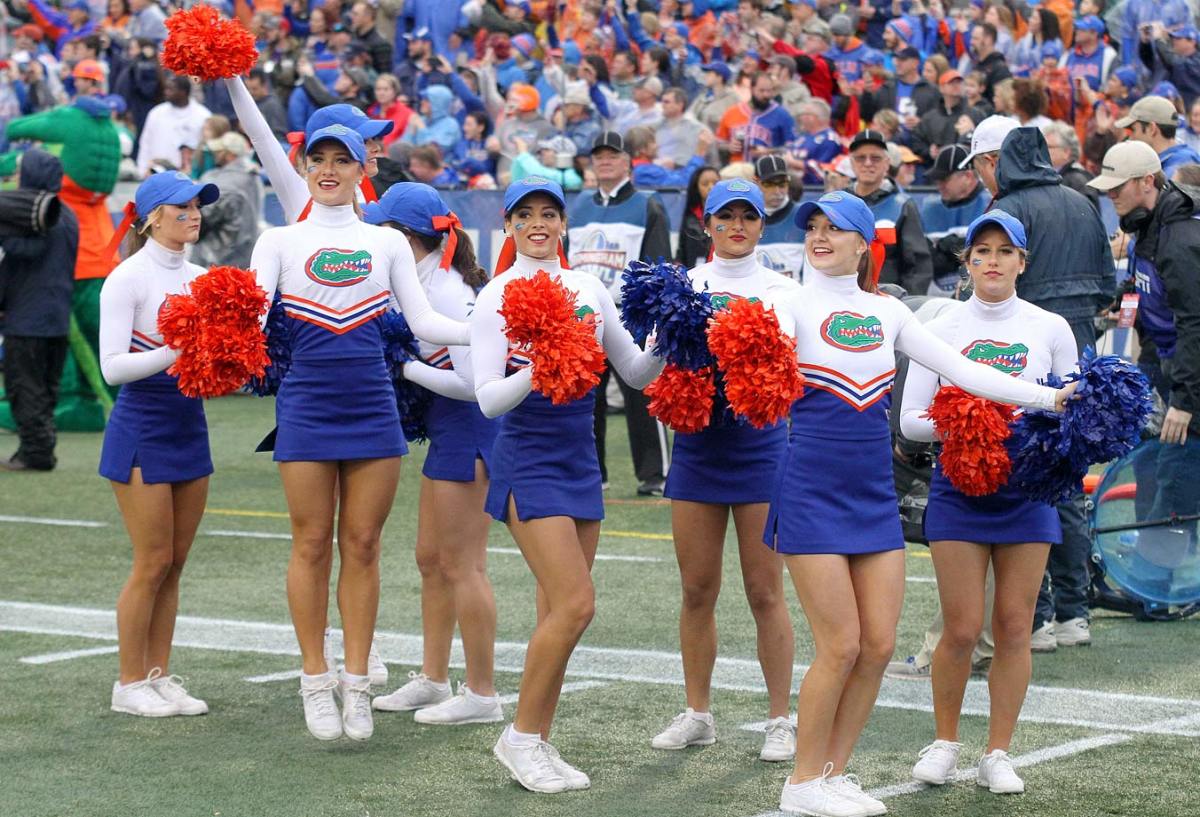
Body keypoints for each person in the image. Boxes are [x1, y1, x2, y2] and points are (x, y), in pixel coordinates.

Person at [766, 191, 1073, 817]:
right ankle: (800, 784)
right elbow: (752, 361)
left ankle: (833, 772)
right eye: (814, 228)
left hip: (873, 495)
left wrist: (1049, 400)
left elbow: (965, 372)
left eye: (837, 228)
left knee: (879, 645)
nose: (821, 236)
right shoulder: (785, 304)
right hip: (811, 490)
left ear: (864, 244)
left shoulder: (888, 312)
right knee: (841, 645)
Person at [249, 124, 469, 742]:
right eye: (316, 158)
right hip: (306, 404)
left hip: (373, 405)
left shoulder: (386, 243)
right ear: (304, 165)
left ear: (360, 169)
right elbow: (251, 314)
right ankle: (314, 679)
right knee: (312, 542)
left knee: (365, 543)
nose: (327, 169)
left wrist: (491, 332)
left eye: (340, 160)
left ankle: (357, 683)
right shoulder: (278, 241)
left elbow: (423, 319)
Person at [471, 176, 664, 793]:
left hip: (582, 459)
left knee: (558, 610)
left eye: (548, 213)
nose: (537, 223)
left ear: (563, 224)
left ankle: (538, 739)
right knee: (577, 603)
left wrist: (665, 334)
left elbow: (633, 372)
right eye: (524, 214)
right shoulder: (496, 296)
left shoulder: (588, 287)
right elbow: (487, 400)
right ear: (507, 226)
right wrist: (539, 368)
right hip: (528, 457)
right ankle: (519, 738)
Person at [900, 210, 1077, 795]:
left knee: (1013, 628)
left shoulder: (1051, 326)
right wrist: (968, 422)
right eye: (982, 251)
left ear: (1023, 262)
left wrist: (1020, 430)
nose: (993, 261)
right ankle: (946, 742)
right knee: (960, 628)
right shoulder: (941, 322)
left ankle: (998, 753)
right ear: (967, 261)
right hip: (959, 488)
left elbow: (1069, 412)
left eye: (1005, 251)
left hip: (1027, 492)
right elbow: (911, 420)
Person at [650, 179, 800, 763]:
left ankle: (780, 719)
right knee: (696, 589)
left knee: (766, 591)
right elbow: (648, 364)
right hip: (697, 446)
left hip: (760, 447)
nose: (737, 225)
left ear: (763, 226)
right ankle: (698, 712)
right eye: (726, 216)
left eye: (749, 216)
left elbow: (784, 350)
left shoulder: (782, 289)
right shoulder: (685, 285)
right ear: (706, 223)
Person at [971, 120, 1114, 652]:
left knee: (1022, 473)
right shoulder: (1080, 200)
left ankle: (1038, 617)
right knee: (1066, 476)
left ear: (1000, 163)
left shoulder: (1007, 211)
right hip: (1080, 343)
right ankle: (1075, 612)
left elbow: (993, 286)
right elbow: (1108, 283)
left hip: (1024, 349)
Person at [365, 184, 503, 725]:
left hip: (469, 430)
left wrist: (406, 368)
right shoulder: (423, 283)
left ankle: (482, 694)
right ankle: (433, 676)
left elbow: (477, 385)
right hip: (449, 432)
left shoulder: (445, 290)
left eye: (383, 229)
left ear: (405, 238)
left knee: (462, 565)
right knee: (430, 558)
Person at [98, 171, 221, 718]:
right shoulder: (127, 279)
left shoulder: (203, 276)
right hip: (141, 428)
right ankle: (128, 683)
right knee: (151, 561)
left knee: (176, 563)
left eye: (197, 206)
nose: (193, 214)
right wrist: (180, 349)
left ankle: (158, 674)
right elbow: (113, 367)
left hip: (188, 425)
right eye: (181, 207)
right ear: (150, 217)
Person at [1088, 141, 1200, 566]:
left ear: (1147, 183)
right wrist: (1122, 300)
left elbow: (1195, 324)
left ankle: (1156, 585)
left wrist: (1185, 404)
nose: (1110, 196)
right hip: (1165, 364)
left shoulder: (1181, 238)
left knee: (1174, 478)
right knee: (1156, 469)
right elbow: (1146, 287)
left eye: (1118, 188)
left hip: (1189, 374)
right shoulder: (1146, 228)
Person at [567, 131, 672, 496]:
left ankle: (655, 474)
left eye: (613, 154)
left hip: (629, 313)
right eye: (598, 155)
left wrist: (652, 315)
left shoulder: (648, 205)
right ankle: (593, 473)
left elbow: (658, 263)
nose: (605, 160)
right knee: (585, 399)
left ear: (628, 161)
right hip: (584, 316)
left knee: (642, 393)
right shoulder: (577, 205)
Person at [0, 150, 79, 472]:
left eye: (21, 172)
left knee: (25, 387)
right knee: (47, 388)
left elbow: (26, 252)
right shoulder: (68, 214)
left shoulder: (32, 218)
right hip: (57, 316)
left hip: (27, 318)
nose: (17, 179)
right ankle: (41, 447)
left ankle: (36, 453)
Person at [847, 129, 933, 296]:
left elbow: (917, 265)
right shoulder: (838, 204)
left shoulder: (903, 205)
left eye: (875, 158)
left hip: (889, 303)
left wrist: (906, 304)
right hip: (844, 302)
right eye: (860, 158)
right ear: (851, 163)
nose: (867, 163)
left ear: (887, 163)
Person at [919, 144, 992, 297]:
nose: (939, 185)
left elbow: (986, 257)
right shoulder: (928, 209)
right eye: (937, 180)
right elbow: (925, 261)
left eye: (944, 179)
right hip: (936, 295)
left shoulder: (990, 205)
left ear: (968, 176)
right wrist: (962, 250)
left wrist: (948, 248)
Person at [192, 132, 262, 269]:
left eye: (220, 151)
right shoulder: (252, 174)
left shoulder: (227, 183)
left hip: (220, 259)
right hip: (246, 253)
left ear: (230, 155)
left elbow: (203, 219)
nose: (215, 154)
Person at [136, 76, 212, 177]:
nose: (166, 92)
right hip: (157, 172)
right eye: (166, 89)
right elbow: (145, 142)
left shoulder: (203, 115)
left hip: (189, 176)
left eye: (171, 89)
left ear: (183, 92)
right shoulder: (156, 113)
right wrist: (142, 169)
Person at [1116, 95, 1200, 179]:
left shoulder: (1175, 171)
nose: (1130, 137)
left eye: (1133, 129)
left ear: (1152, 128)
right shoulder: (1173, 160)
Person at [911, 71, 985, 163]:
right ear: (941, 88)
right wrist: (929, 151)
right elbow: (916, 140)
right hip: (935, 168)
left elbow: (984, 142)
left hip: (964, 168)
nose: (956, 85)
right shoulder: (929, 117)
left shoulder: (974, 114)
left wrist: (970, 133)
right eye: (951, 83)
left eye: (959, 82)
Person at [754, 154, 806, 281]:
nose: (777, 191)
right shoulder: (745, 219)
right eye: (769, 184)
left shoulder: (805, 216)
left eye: (782, 184)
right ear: (756, 182)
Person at [676, 163, 721, 269]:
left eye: (715, 183)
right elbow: (682, 249)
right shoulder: (690, 216)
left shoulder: (729, 216)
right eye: (705, 184)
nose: (711, 187)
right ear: (696, 188)